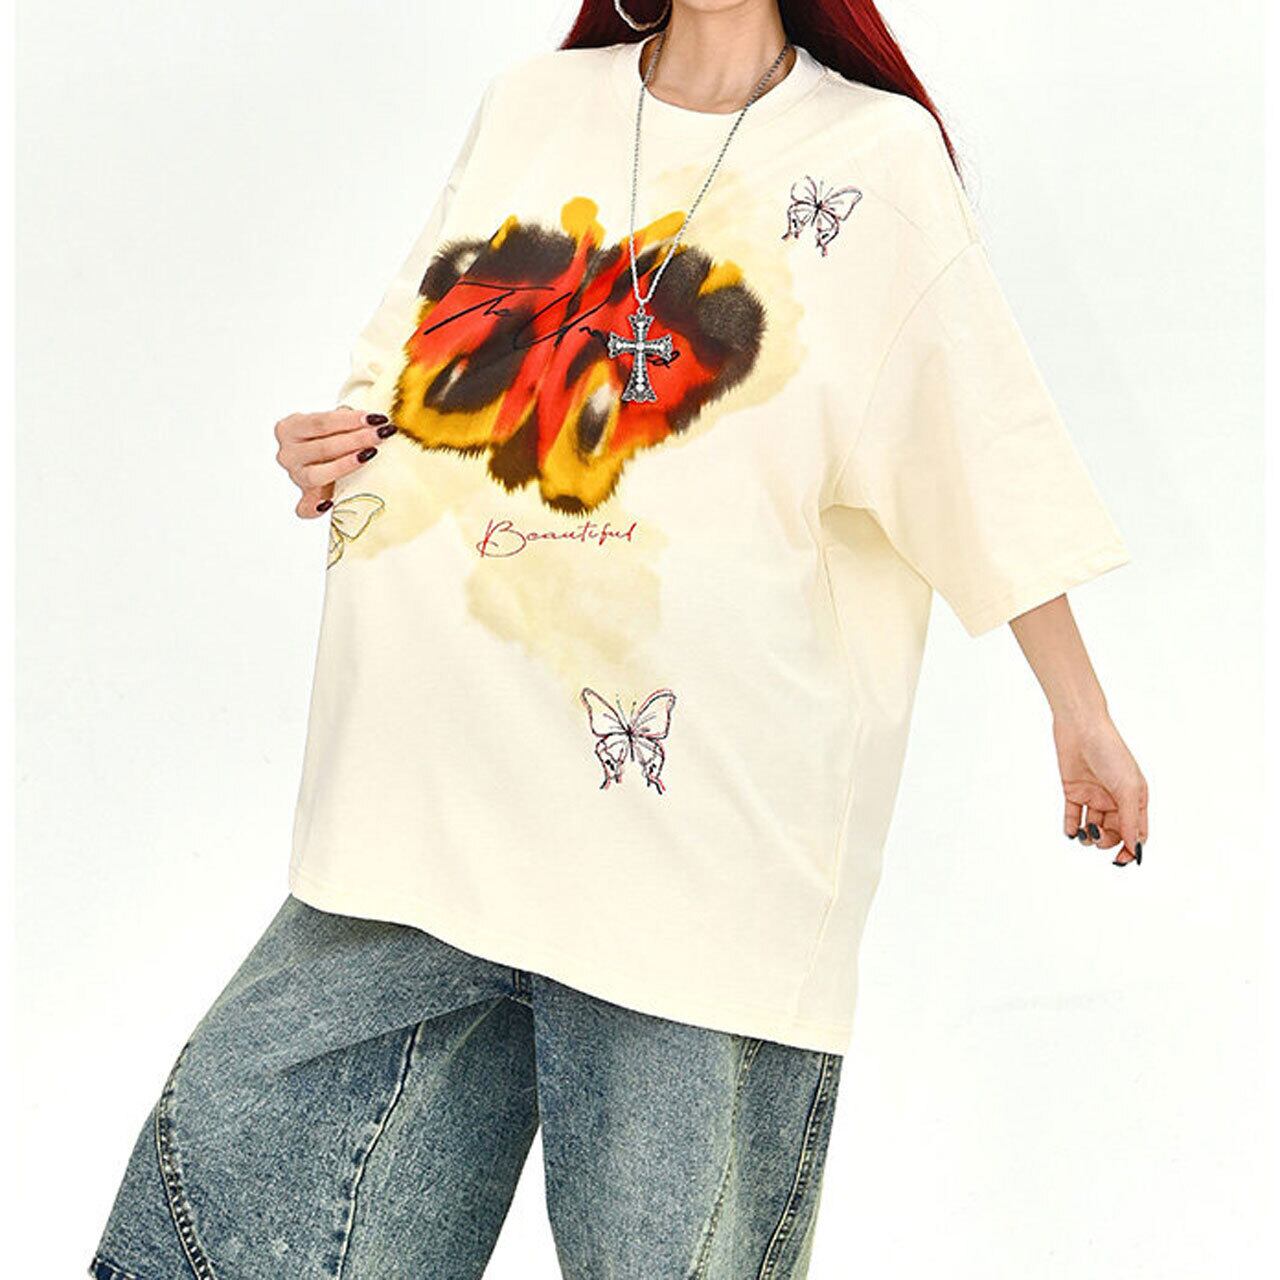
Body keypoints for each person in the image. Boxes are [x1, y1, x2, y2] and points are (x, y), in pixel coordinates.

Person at [89, 1, 1149, 1277]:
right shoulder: (534, 105)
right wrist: (323, 448)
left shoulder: (874, 157)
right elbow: (398, 387)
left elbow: (976, 447)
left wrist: (1079, 711)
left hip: (691, 852)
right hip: (431, 793)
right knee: (233, 1205)